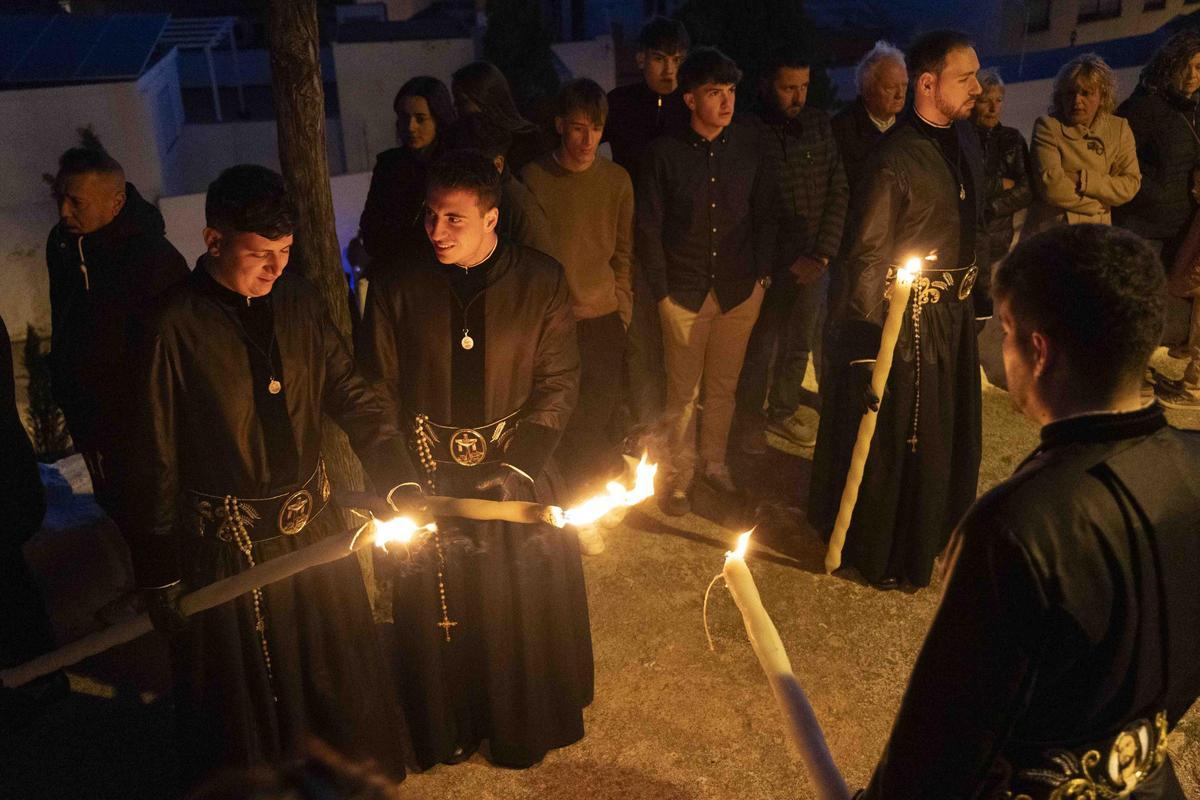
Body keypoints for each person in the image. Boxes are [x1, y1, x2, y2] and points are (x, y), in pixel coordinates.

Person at [858, 224, 1200, 800]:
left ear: (1039, 352)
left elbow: (940, 745)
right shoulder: (1193, 461)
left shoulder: (1018, 528)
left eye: (1007, 329)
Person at [130, 165, 414, 787]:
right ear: (213, 241)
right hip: (229, 550)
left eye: (285, 251)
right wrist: (159, 567)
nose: (276, 267)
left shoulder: (299, 301)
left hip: (314, 532)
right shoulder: (173, 325)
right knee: (247, 697)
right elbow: (154, 454)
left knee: (331, 671)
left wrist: (397, 476)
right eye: (261, 253)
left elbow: (350, 393)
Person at [358, 150, 592, 770]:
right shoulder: (397, 284)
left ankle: (519, 722)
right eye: (430, 215)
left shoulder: (540, 281)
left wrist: (521, 469)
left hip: (514, 474)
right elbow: (376, 391)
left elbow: (559, 383)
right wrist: (397, 478)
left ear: (491, 219)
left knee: (515, 604)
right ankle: (449, 724)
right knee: (444, 605)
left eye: (454, 219)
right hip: (428, 477)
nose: (436, 231)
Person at [809, 30, 985, 590]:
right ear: (928, 84)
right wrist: (865, 344)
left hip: (953, 322)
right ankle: (887, 546)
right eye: (966, 78)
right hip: (908, 327)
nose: (978, 88)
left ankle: (933, 531)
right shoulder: (893, 160)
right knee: (902, 440)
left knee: (947, 436)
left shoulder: (966, 142)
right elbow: (865, 254)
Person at [637, 47, 777, 515]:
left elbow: (767, 214)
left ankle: (714, 463)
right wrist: (661, 291)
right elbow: (649, 227)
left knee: (723, 389)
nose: (726, 101)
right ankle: (679, 475)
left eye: (731, 91)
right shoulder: (664, 154)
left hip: (739, 290)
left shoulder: (749, 148)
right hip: (683, 292)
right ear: (690, 99)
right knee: (682, 395)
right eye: (715, 92)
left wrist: (761, 277)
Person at [45, 144, 188, 528]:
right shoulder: (63, 245)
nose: (64, 212)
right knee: (117, 514)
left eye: (76, 202)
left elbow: (177, 352)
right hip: (91, 421)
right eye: (60, 198)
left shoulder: (154, 260)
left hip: (143, 430)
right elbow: (65, 317)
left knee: (152, 522)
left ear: (117, 203)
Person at [520, 78, 635, 554]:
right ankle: (573, 508)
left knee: (599, 416)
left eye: (596, 129)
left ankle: (595, 497)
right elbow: (529, 258)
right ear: (560, 126)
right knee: (564, 420)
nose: (588, 140)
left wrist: (622, 307)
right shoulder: (535, 179)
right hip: (556, 323)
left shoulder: (616, 180)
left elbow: (623, 254)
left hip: (604, 317)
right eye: (578, 128)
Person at [736, 46, 848, 453]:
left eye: (804, 86)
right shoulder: (749, 132)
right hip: (769, 263)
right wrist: (785, 259)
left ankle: (782, 411)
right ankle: (748, 420)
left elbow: (838, 187)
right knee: (760, 346)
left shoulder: (818, 124)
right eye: (789, 88)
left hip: (815, 260)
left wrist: (822, 254)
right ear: (768, 86)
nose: (798, 97)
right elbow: (752, 206)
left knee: (799, 341)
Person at [605, 16, 692, 444]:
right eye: (660, 59)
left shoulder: (690, 106)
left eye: (677, 59)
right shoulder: (619, 104)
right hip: (635, 238)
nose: (669, 70)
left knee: (681, 339)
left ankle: (681, 431)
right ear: (640, 59)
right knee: (640, 337)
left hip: (684, 241)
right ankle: (646, 427)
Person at [1114, 30, 1200, 406]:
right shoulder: (1143, 107)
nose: (1194, 76)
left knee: (1162, 306)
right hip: (1142, 225)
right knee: (1136, 302)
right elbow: (1121, 162)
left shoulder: (1194, 109)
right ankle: (1131, 374)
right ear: (1171, 64)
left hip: (1180, 227)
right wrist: (1153, 193)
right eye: (1189, 66)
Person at [0, 315, 68, 732]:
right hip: (10, 482)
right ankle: (37, 677)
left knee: (10, 586)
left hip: (6, 484)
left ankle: (36, 679)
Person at [1026, 53, 1141, 233]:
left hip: (1098, 231)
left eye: (1086, 93)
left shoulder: (1119, 128)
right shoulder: (1048, 126)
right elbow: (1051, 186)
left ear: (1102, 96)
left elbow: (1130, 184)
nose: (1077, 100)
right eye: (1070, 93)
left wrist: (1083, 179)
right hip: (1055, 232)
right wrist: (1096, 205)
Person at [357, 76, 456, 276]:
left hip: (442, 272)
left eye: (420, 118)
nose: (410, 127)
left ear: (438, 119)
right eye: (404, 117)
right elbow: (370, 226)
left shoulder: (454, 166)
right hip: (397, 271)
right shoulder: (389, 165)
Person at [440, 112, 554, 254]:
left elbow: (536, 263)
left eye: (473, 166)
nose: (462, 174)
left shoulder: (520, 210)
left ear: (498, 164)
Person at [972, 67, 1032, 321]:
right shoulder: (962, 137)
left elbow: (1026, 189)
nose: (993, 108)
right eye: (985, 101)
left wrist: (990, 208)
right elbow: (964, 183)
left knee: (988, 309)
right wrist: (1000, 184)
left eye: (998, 100)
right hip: (965, 238)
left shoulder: (1012, 139)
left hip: (997, 240)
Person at [831, 41, 908, 196]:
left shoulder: (911, 121)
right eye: (890, 88)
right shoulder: (842, 131)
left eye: (904, 85)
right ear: (867, 89)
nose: (900, 95)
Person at [450, 61, 552, 175]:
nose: (456, 106)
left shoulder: (528, 141)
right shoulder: (457, 136)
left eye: (462, 101)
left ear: (484, 98)